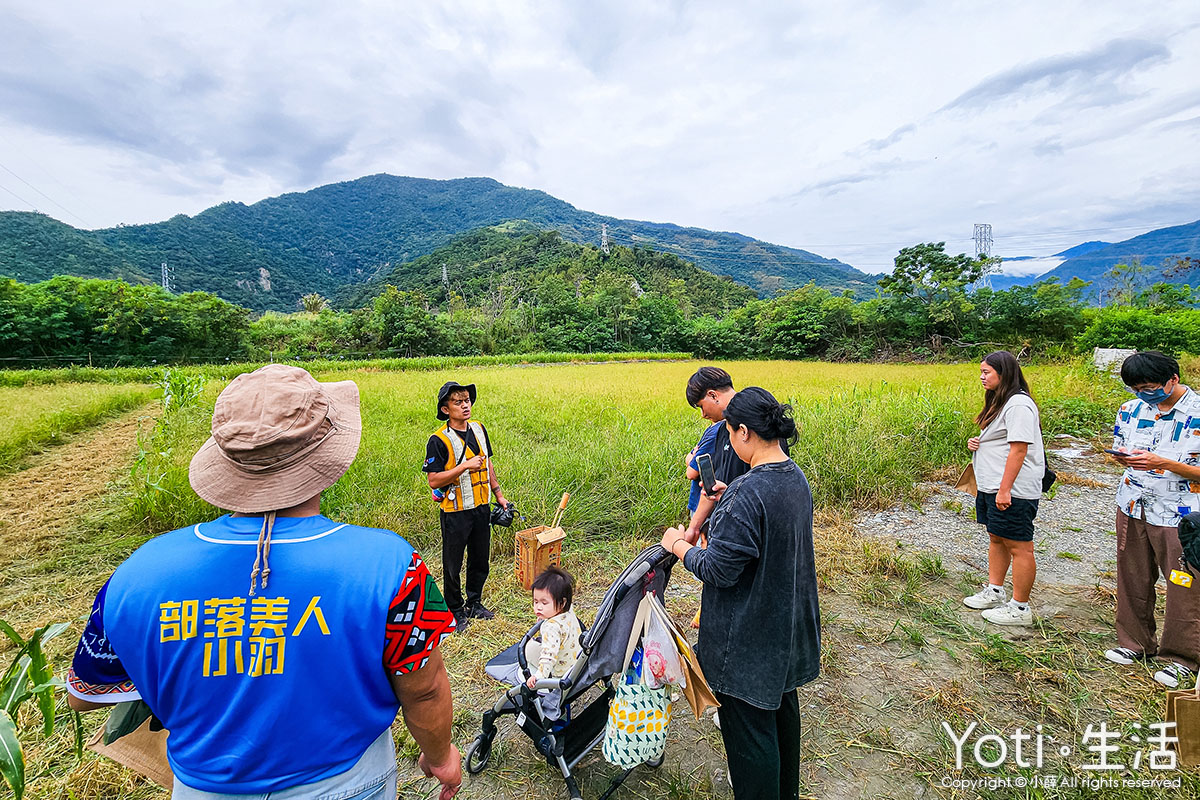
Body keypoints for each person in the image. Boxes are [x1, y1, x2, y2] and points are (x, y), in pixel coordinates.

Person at [65, 364, 462, 800]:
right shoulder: (393, 565)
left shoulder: (137, 574)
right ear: (326, 455)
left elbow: (85, 694)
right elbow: (424, 690)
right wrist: (440, 757)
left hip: (202, 788)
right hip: (348, 782)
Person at [660, 386, 820, 800]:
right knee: (781, 713)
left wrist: (678, 546)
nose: (730, 440)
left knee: (749, 734)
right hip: (785, 629)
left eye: (731, 433)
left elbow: (718, 570)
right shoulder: (794, 477)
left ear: (744, 431)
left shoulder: (748, 492)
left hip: (748, 640)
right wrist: (727, 495)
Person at [1104, 350, 1200, 688]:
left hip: (1181, 514)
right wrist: (1123, 459)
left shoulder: (1196, 412)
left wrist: (1164, 463)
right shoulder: (1131, 410)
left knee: (1184, 583)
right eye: (1136, 389)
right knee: (1132, 575)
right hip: (1133, 503)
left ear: (1173, 379)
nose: (1144, 394)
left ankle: (1182, 658)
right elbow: (1121, 447)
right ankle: (1135, 642)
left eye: (1149, 387)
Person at [963, 351, 1046, 627]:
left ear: (1004, 372)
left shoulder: (1019, 404)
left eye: (986, 372)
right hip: (992, 484)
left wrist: (1005, 489)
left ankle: (1020, 608)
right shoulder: (1003, 401)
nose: (982, 377)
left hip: (1012, 488)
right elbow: (1003, 439)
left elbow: (1019, 449)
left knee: (1019, 546)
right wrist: (979, 442)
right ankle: (995, 590)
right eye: (981, 371)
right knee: (996, 537)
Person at [424, 380, 510, 628]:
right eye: (458, 402)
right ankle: (455, 610)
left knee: (480, 559)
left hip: (481, 506)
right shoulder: (438, 440)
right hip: (455, 511)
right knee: (453, 564)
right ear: (445, 409)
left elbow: (487, 463)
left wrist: (499, 494)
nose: (465, 405)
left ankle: (474, 603)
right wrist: (463, 466)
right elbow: (433, 480)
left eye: (467, 400)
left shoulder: (479, 429)